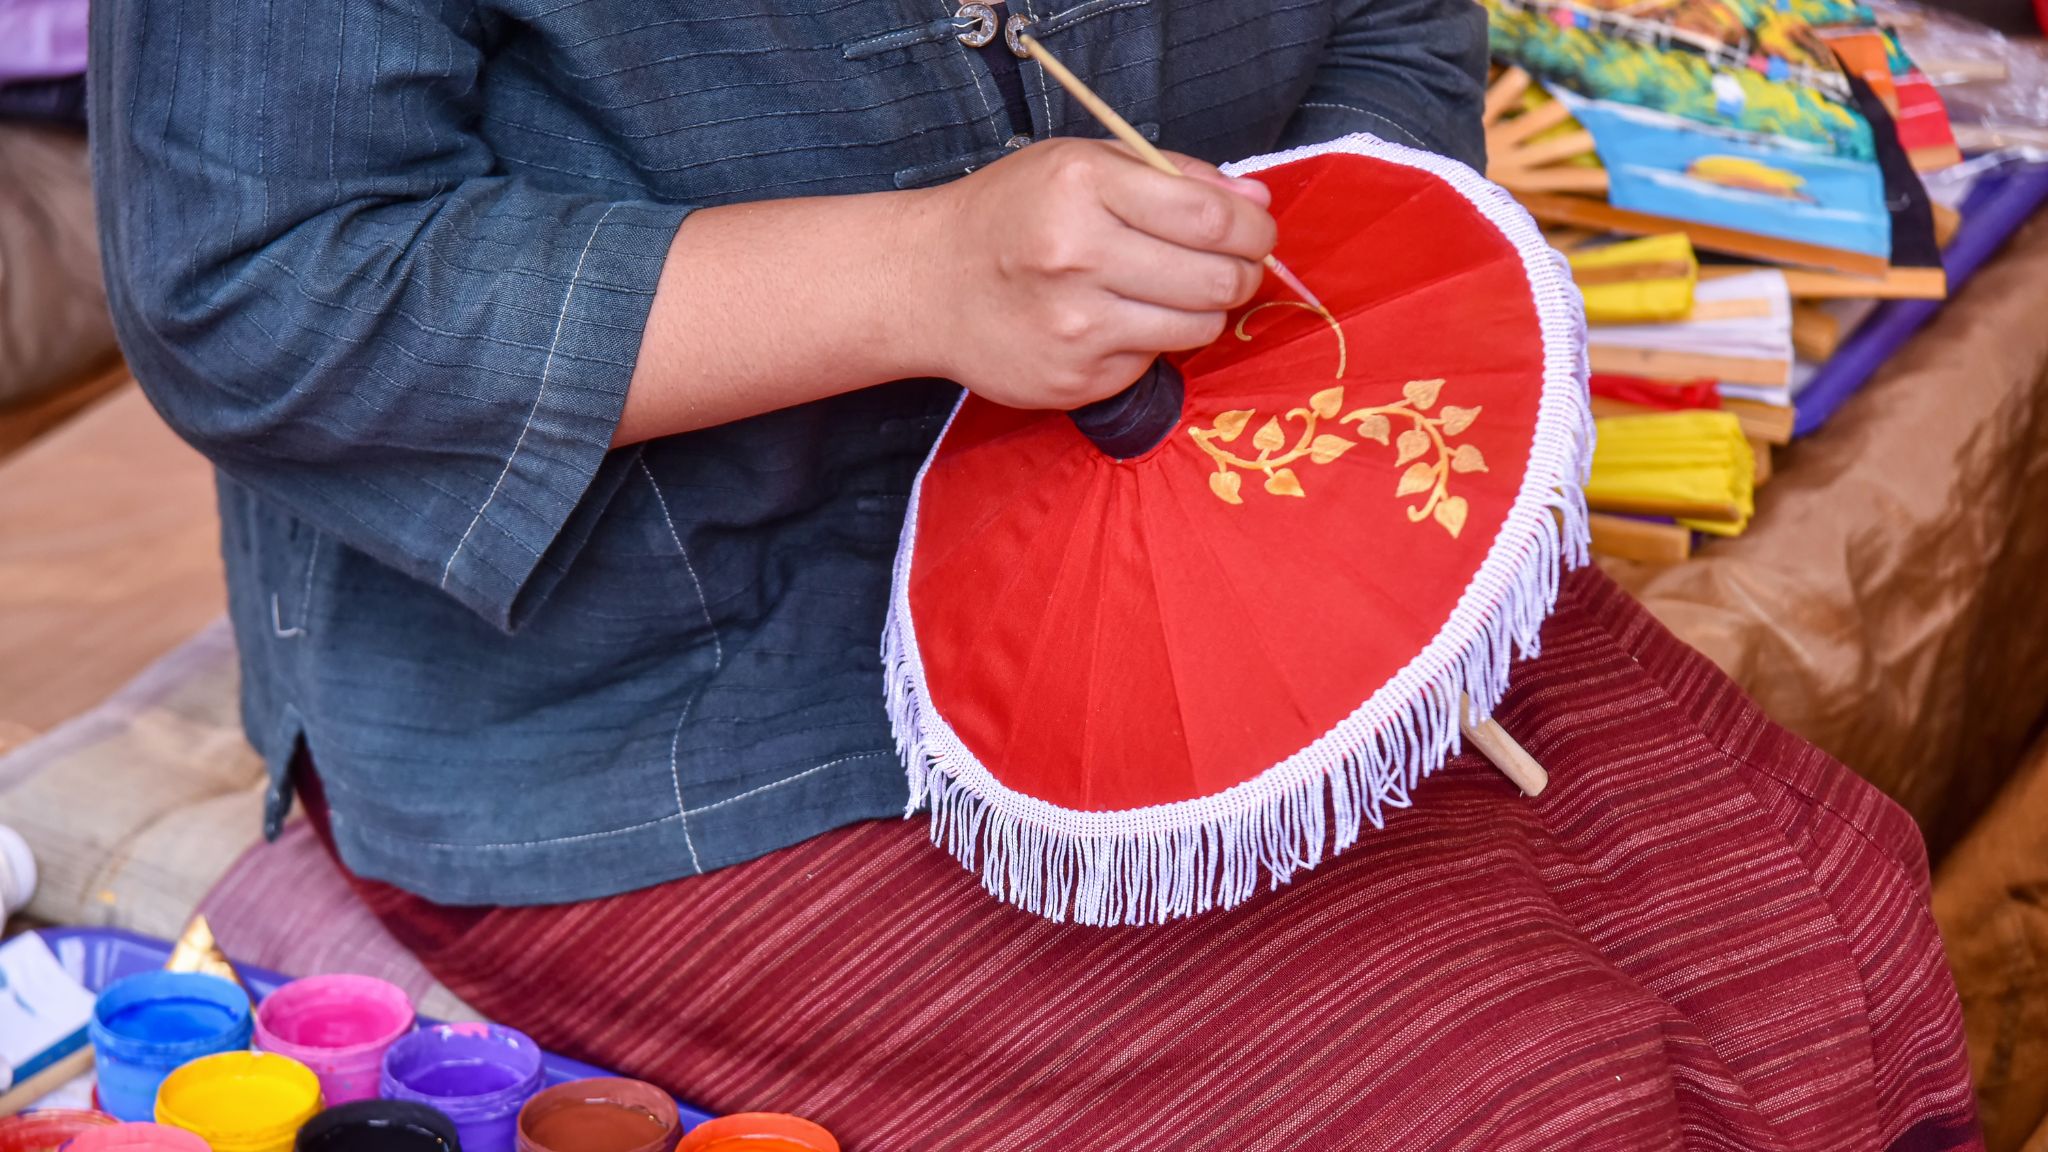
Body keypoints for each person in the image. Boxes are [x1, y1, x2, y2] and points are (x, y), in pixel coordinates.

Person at [92, 0, 1982, 1147]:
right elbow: (258, 282)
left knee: (1812, 937)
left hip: (1213, 486)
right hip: (661, 672)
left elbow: (1389, 36)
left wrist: (1297, 311)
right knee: (1499, 1096)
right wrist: (917, 277)